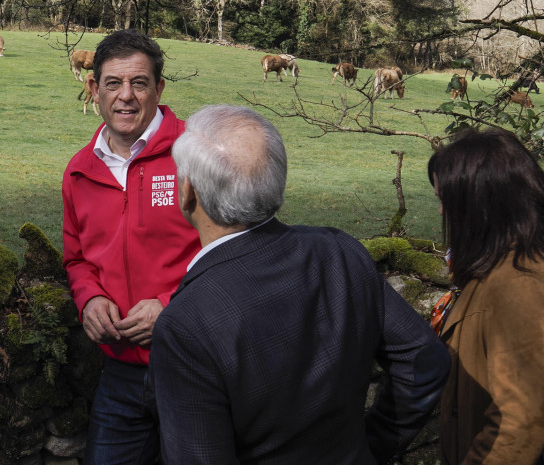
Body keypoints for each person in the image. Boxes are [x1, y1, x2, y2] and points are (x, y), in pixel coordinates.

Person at [149, 104, 451, 465]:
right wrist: (370, 446)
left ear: (188, 192)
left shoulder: (186, 323)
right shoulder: (339, 251)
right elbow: (426, 359)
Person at [62, 29, 202, 464]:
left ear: (159, 89)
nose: (126, 96)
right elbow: (77, 257)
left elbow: (236, 253)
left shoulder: (196, 155)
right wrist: (89, 299)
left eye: (139, 83)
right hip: (120, 372)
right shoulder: (79, 171)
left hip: (197, 367)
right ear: (94, 89)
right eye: (113, 83)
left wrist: (170, 306)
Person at [428, 127, 544, 464]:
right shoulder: (542, 249)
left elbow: (521, 424)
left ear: (481, 204)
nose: (441, 213)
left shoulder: (522, 284)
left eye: (446, 202)